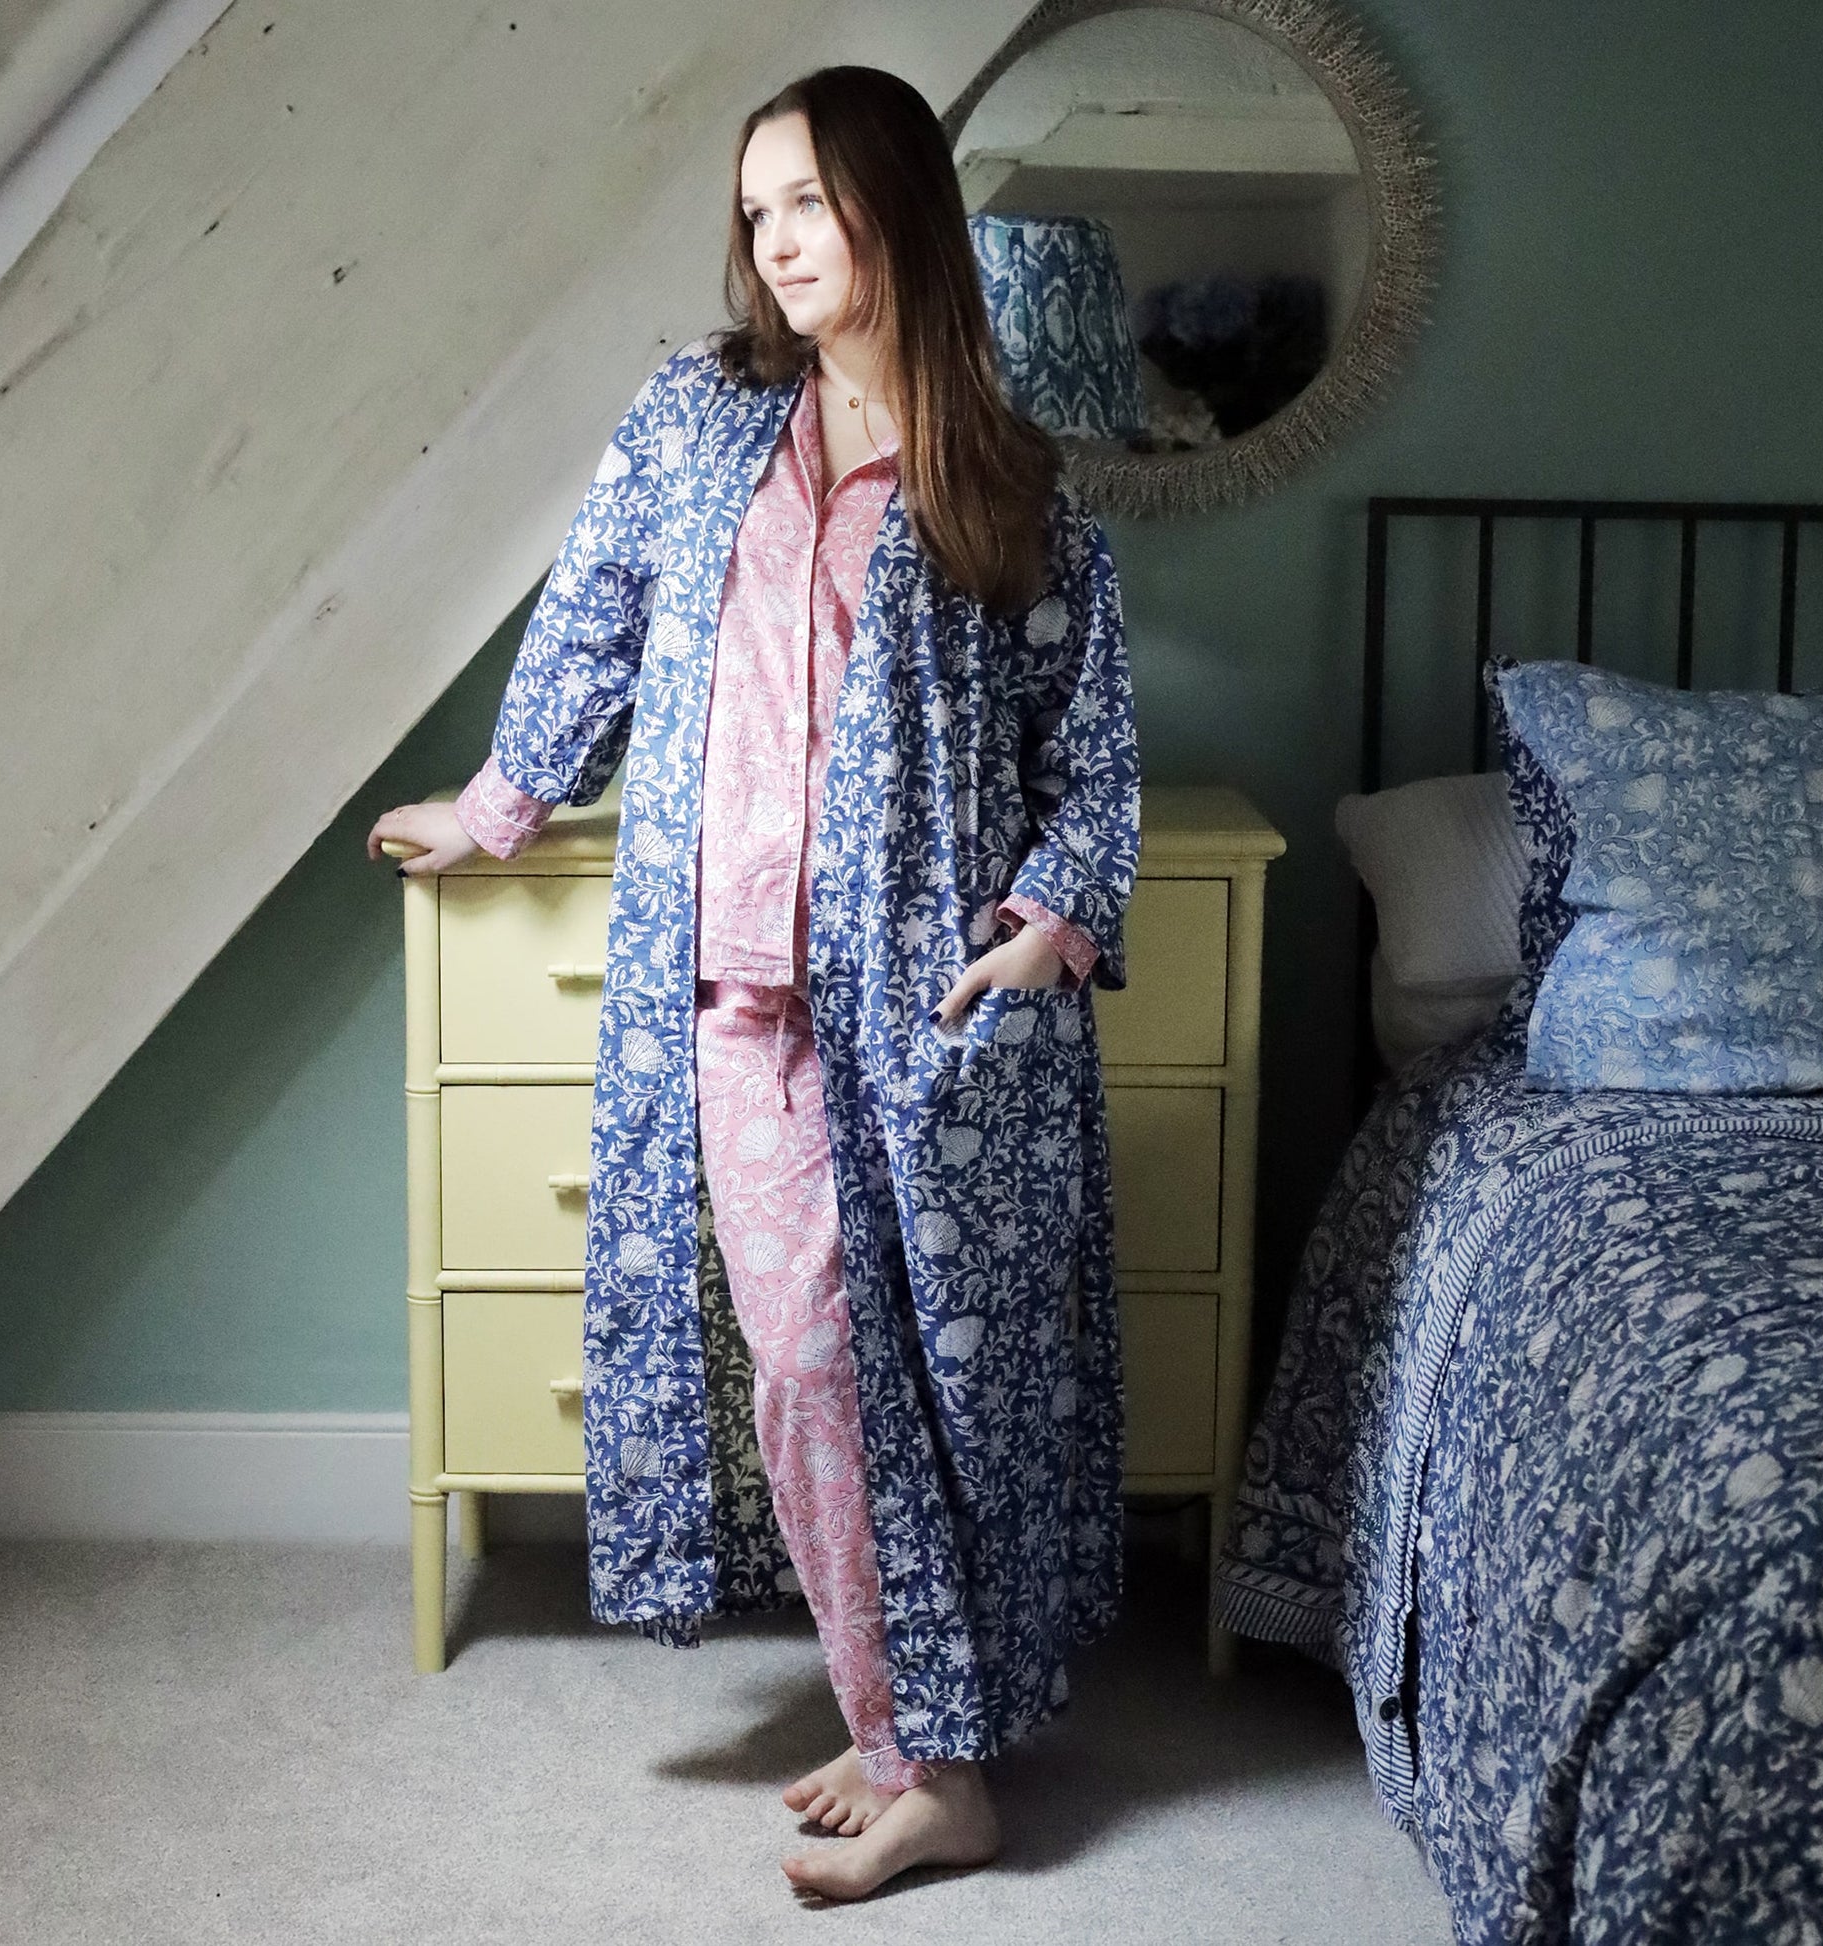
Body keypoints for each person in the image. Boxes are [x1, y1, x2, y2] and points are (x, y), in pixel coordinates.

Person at [368, 64, 1139, 1901]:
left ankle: (927, 1757)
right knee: (806, 1367)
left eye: (810, 200)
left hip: (930, 1009)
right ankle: (910, 1736)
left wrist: (1047, 926)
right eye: (755, 209)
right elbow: (597, 614)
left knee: (938, 1386)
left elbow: (1087, 744)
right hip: (732, 988)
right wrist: (499, 803)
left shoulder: (1002, 474)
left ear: (896, 205)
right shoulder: (698, 416)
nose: (777, 241)